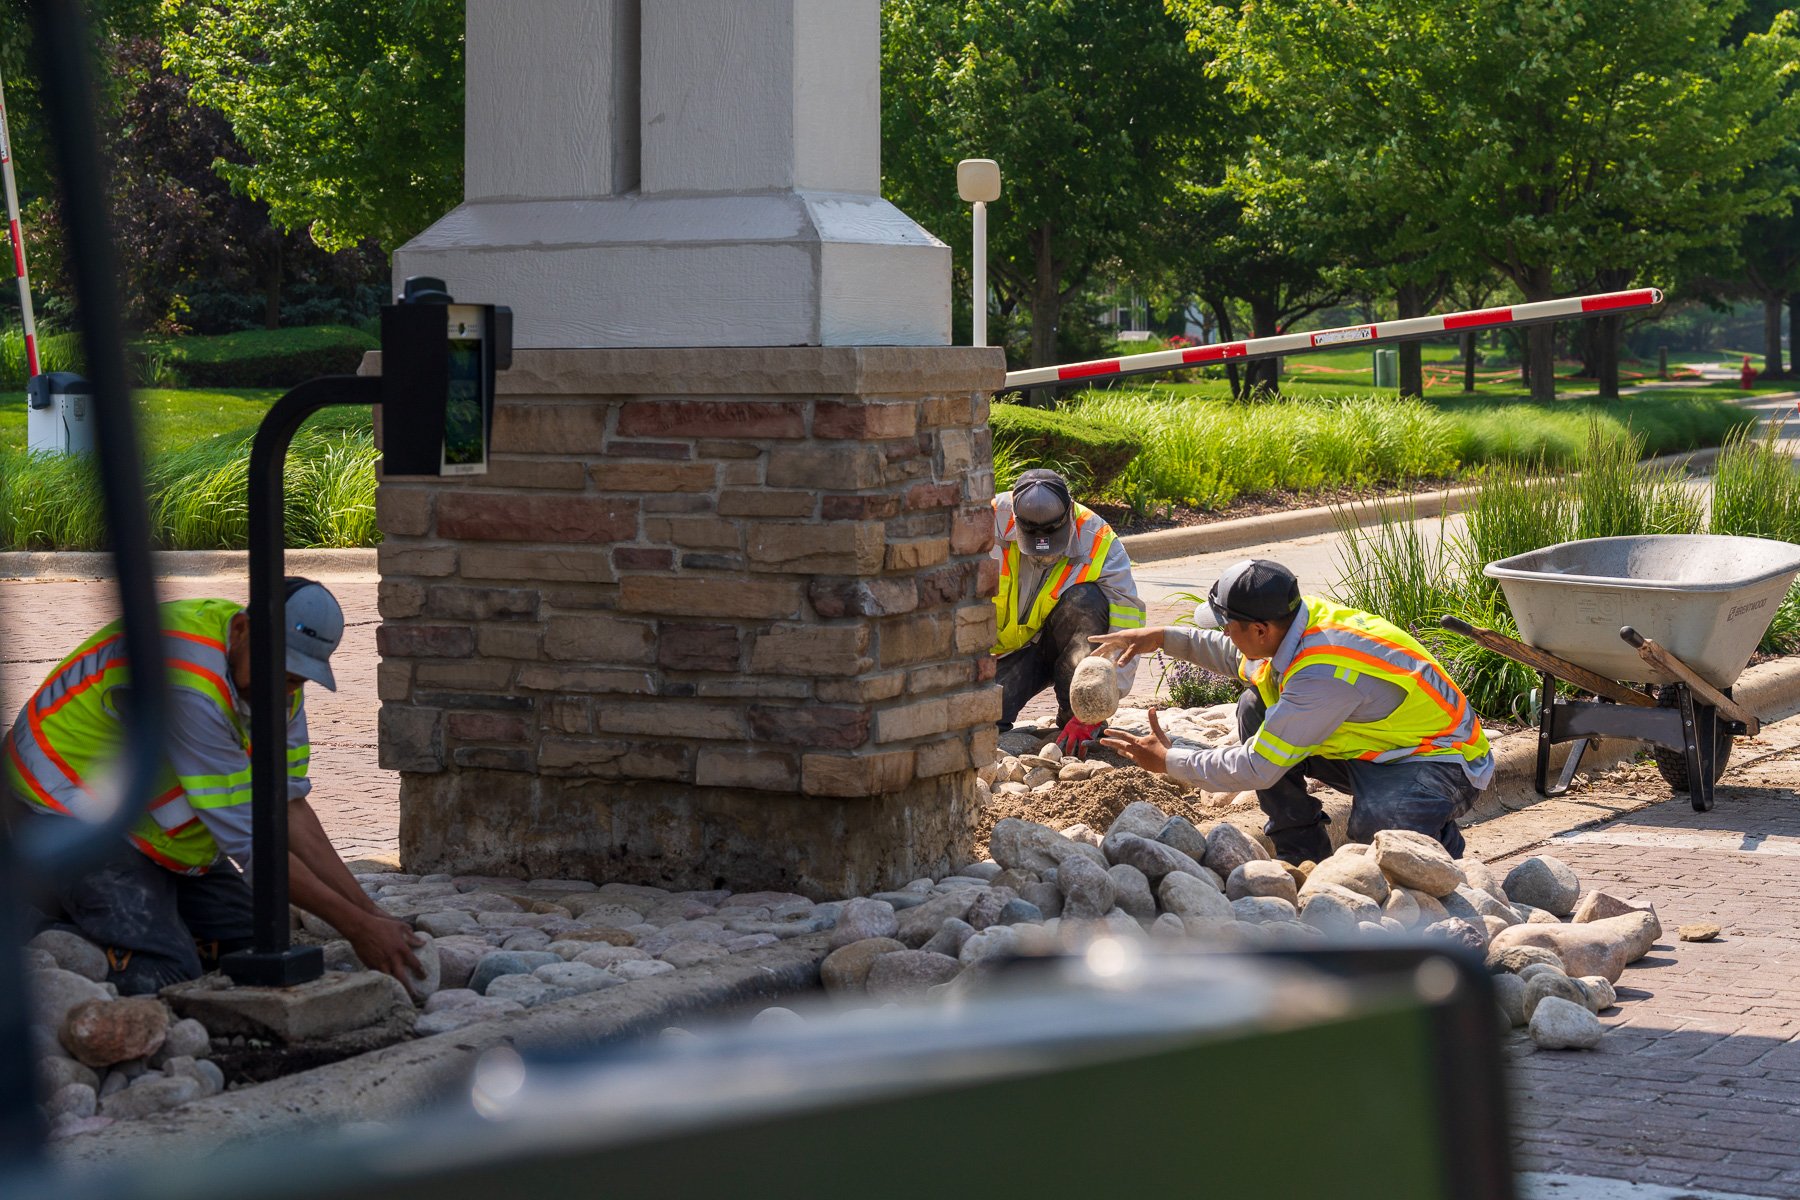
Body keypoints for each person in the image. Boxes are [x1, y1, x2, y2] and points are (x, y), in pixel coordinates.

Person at [3, 579, 423, 994]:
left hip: (146, 830)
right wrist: (356, 928)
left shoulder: (282, 691)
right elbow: (253, 845)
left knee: (251, 946)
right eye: (273, 668)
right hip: (60, 808)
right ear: (240, 629)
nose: (279, 690)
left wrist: (373, 914)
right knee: (168, 969)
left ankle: (110, 912)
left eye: (294, 679)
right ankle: (29, 922)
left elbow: (289, 806)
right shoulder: (189, 681)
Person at [1091, 559, 1493, 862]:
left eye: (1227, 625)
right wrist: (1160, 638)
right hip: (1382, 747)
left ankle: (1439, 847)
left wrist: (1169, 761)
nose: (1223, 633)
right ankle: (1303, 854)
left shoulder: (1324, 672)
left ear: (1261, 629)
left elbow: (1258, 766)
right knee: (1255, 705)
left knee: (1378, 829)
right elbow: (1234, 653)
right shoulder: (1294, 621)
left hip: (1442, 763)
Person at [991, 468, 1146, 754]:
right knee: (977, 725)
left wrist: (1096, 705)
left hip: (1059, 646)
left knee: (1086, 600)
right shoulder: (985, 521)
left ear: (1069, 513)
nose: (1042, 551)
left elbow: (1125, 630)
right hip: (999, 660)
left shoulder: (1097, 539)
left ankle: (1072, 710)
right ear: (1014, 518)